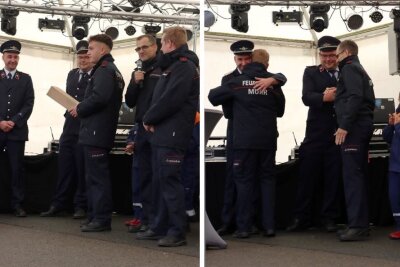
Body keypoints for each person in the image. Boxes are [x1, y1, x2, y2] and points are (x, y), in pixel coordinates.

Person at [209, 49, 285, 238]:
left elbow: (213, 96)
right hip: (268, 141)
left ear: (249, 61)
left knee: (243, 182)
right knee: (267, 182)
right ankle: (269, 226)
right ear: (267, 64)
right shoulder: (273, 84)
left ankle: (244, 227)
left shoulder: (236, 83)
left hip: (243, 142)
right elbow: (281, 111)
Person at [136, 26, 199, 247]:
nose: (161, 47)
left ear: (170, 43)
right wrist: (152, 119)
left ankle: (177, 231)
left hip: (173, 133)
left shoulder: (184, 67)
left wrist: (148, 118)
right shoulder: (171, 66)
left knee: (170, 182)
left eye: (162, 43)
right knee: (160, 182)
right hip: (163, 133)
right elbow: (159, 98)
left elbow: (170, 99)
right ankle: (160, 226)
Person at [69, 34, 125, 232]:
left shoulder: (104, 70)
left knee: (97, 179)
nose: (88, 52)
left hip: (96, 131)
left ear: (102, 50)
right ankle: (95, 216)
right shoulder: (111, 71)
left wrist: (80, 108)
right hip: (98, 131)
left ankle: (100, 219)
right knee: (93, 178)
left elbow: (99, 98)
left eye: (91, 48)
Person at [287, 36, 342, 232]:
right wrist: (324, 96)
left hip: (338, 134)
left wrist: (334, 94)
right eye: (324, 55)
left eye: (332, 56)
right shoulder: (310, 72)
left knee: (333, 178)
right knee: (306, 176)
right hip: (315, 133)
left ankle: (329, 218)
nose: (328, 59)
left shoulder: (346, 71)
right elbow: (306, 97)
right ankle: (301, 217)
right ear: (319, 55)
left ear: (338, 54)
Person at [41, 40, 93, 219]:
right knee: (64, 166)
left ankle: (80, 205)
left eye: (86, 56)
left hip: (84, 125)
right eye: (80, 56)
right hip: (69, 125)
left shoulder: (95, 76)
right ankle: (59, 203)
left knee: (81, 167)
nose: (83, 60)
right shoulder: (72, 74)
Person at [334, 40, 375, 241]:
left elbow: (355, 97)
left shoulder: (349, 68)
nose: (336, 59)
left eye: (338, 55)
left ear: (347, 52)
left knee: (352, 177)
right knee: (357, 175)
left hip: (354, 127)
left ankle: (357, 226)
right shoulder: (361, 69)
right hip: (363, 125)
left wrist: (344, 125)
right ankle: (360, 224)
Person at [124, 34, 161, 233]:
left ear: (156, 46)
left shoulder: (163, 68)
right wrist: (135, 82)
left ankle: (157, 220)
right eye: (138, 48)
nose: (141, 51)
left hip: (158, 128)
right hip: (141, 130)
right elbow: (129, 102)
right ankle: (145, 219)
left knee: (157, 176)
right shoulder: (138, 71)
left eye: (144, 47)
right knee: (143, 175)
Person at [0, 40, 34, 217]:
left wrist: (13, 121)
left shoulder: (26, 79)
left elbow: (29, 104)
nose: (12, 60)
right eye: (9, 56)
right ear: (3, 57)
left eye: (15, 57)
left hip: (17, 130)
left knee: (17, 169)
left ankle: (17, 204)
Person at [382, 98, 400, 239]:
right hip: (394, 167)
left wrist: (398, 125)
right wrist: (390, 125)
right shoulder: (398, 112)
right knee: (394, 197)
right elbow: (388, 138)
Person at [123, 123, 143, 232]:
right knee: (135, 189)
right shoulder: (136, 125)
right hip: (136, 162)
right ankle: (137, 216)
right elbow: (130, 137)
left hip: (146, 163)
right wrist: (130, 145)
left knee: (143, 190)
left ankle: (143, 218)